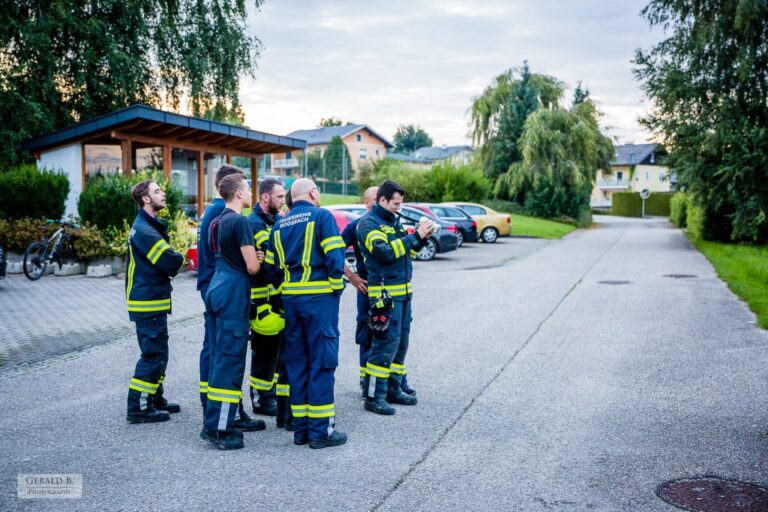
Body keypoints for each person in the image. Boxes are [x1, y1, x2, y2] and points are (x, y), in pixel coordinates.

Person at [265, 178, 347, 449]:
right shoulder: (322, 216)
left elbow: (272, 269)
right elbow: (335, 259)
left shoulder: (278, 225)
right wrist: (336, 290)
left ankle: (300, 431)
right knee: (322, 362)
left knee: (297, 364)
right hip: (319, 302)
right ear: (313, 193)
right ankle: (321, 432)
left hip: (291, 303)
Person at [356, 180, 433, 415]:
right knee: (384, 344)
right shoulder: (368, 224)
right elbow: (384, 253)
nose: (399, 208)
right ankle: (374, 397)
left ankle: (393, 388)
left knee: (400, 343)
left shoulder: (393, 221)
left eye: (401, 203)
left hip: (403, 292)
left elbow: (406, 252)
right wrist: (413, 237)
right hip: (384, 295)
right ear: (382, 200)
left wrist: (422, 238)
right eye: (395, 204)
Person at [196, 164, 263, 432]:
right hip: (233, 290)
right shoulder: (240, 221)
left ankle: (219, 418)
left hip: (216, 286)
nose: (251, 194)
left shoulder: (216, 220)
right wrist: (260, 258)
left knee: (218, 355)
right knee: (230, 357)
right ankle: (219, 428)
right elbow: (251, 268)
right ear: (237, 193)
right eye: (247, 189)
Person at [125, 180, 184, 424]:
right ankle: (138, 408)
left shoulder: (148, 226)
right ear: (146, 199)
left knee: (160, 352)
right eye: (157, 191)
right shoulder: (145, 231)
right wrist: (181, 257)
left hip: (152, 299)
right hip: (147, 301)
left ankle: (153, 398)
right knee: (153, 354)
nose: (163, 193)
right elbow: (170, 261)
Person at [247, 179, 286, 417]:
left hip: (276, 298)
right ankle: (261, 399)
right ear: (265, 198)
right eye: (279, 197)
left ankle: (270, 395)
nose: (283, 201)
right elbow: (272, 250)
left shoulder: (276, 221)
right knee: (263, 353)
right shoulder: (253, 223)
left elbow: (274, 253)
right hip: (260, 300)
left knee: (277, 352)